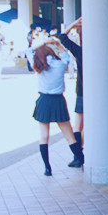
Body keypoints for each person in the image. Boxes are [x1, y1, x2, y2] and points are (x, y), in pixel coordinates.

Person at [26, 38, 84, 176]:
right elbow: (66, 56)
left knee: (44, 136)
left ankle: (47, 168)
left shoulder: (38, 65)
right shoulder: (60, 65)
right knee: (69, 136)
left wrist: (43, 42)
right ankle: (83, 160)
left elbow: (28, 50)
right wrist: (57, 43)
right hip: (58, 101)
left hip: (44, 101)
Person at [58, 17, 84, 165]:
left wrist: (73, 25)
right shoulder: (101, 53)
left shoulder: (80, 51)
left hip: (82, 92)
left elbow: (62, 37)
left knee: (78, 125)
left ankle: (78, 157)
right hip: (99, 94)